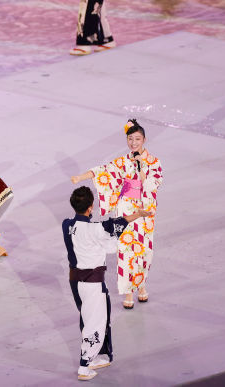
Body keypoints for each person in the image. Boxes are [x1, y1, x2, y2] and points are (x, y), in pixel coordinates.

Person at [63, 186, 153, 381]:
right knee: (95, 322)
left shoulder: (66, 225)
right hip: (92, 283)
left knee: (88, 318)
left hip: (75, 281)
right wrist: (138, 214)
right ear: (90, 207)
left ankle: (92, 357)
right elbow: (117, 224)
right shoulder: (96, 228)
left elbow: (112, 225)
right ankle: (84, 366)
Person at [70, 120, 162, 310]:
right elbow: (103, 171)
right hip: (126, 209)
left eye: (137, 139)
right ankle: (129, 292)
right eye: (130, 139)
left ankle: (142, 285)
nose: (134, 142)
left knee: (144, 252)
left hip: (145, 211)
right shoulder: (123, 161)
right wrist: (81, 177)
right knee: (127, 252)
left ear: (144, 139)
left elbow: (154, 184)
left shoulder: (154, 162)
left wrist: (142, 168)